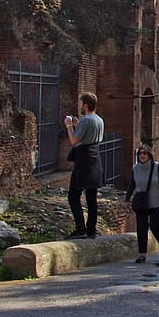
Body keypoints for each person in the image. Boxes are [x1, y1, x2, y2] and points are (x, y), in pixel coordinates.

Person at [63, 92, 104, 239]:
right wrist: (77, 125)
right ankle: (91, 230)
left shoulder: (86, 120)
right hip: (95, 159)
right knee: (91, 197)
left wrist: (69, 126)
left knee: (73, 195)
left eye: (82, 104)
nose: (81, 107)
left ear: (85, 105)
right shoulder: (99, 120)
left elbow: (74, 141)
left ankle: (80, 228)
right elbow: (89, 135)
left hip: (84, 160)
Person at [125, 145, 159, 263]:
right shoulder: (135, 168)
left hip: (155, 202)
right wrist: (126, 199)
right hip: (141, 203)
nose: (142, 155)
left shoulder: (156, 167)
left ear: (149, 155)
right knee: (141, 228)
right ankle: (142, 254)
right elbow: (132, 185)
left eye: (144, 153)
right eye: (140, 153)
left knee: (155, 227)